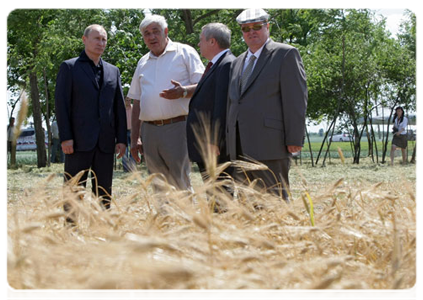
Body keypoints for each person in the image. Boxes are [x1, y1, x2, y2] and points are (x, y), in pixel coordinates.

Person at [226, 8, 308, 202]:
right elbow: (233, 103)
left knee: (274, 200)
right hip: (238, 146)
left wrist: (295, 137)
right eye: (246, 29)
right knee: (247, 203)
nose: (251, 32)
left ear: (267, 27)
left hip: (271, 144)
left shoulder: (285, 54)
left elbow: (296, 98)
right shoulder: (237, 62)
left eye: (257, 26)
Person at [55, 24, 127, 216]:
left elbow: (119, 107)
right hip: (77, 142)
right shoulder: (69, 67)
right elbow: (61, 105)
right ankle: (71, 233)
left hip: (105, 143)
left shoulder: (114, 71)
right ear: (84, 39)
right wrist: (65, 137)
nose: (101, 43)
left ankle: (101, 232)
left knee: (103, 192)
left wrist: (121, 139)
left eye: (104, 39)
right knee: (73, 191)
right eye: (96, 38)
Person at [128, 14, 204, 191]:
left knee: (180, 181)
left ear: (166, 32)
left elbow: (204, 85)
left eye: (156, 31)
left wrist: (183, 92)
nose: (152, 37)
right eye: (147, 33)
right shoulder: (142, 62)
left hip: (177, 128)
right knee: (157, 184)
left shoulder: (185, 52)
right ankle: (164, 219)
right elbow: (137, 101)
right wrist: (135, 138)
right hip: (149, 132)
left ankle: (184, 219)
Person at [185, 23, 235, 185]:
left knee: (220, 193)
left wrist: (214, 140)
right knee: (214, 193)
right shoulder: (218, 65)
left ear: (212, 41)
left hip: (215, 147)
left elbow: (222, 105)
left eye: (201, 40)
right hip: (208, 145)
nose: (199, 44)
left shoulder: (226, 64)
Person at [122, 97, 136, 172]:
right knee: (124, 150)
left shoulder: (133, 108)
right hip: (124, 131)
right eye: (127, 100)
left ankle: (132, 168)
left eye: (129, 100)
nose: (128, 101)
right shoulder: (121, 109)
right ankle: (125, 168)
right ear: (124, 100)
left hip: (132, 131)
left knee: (133, 150)